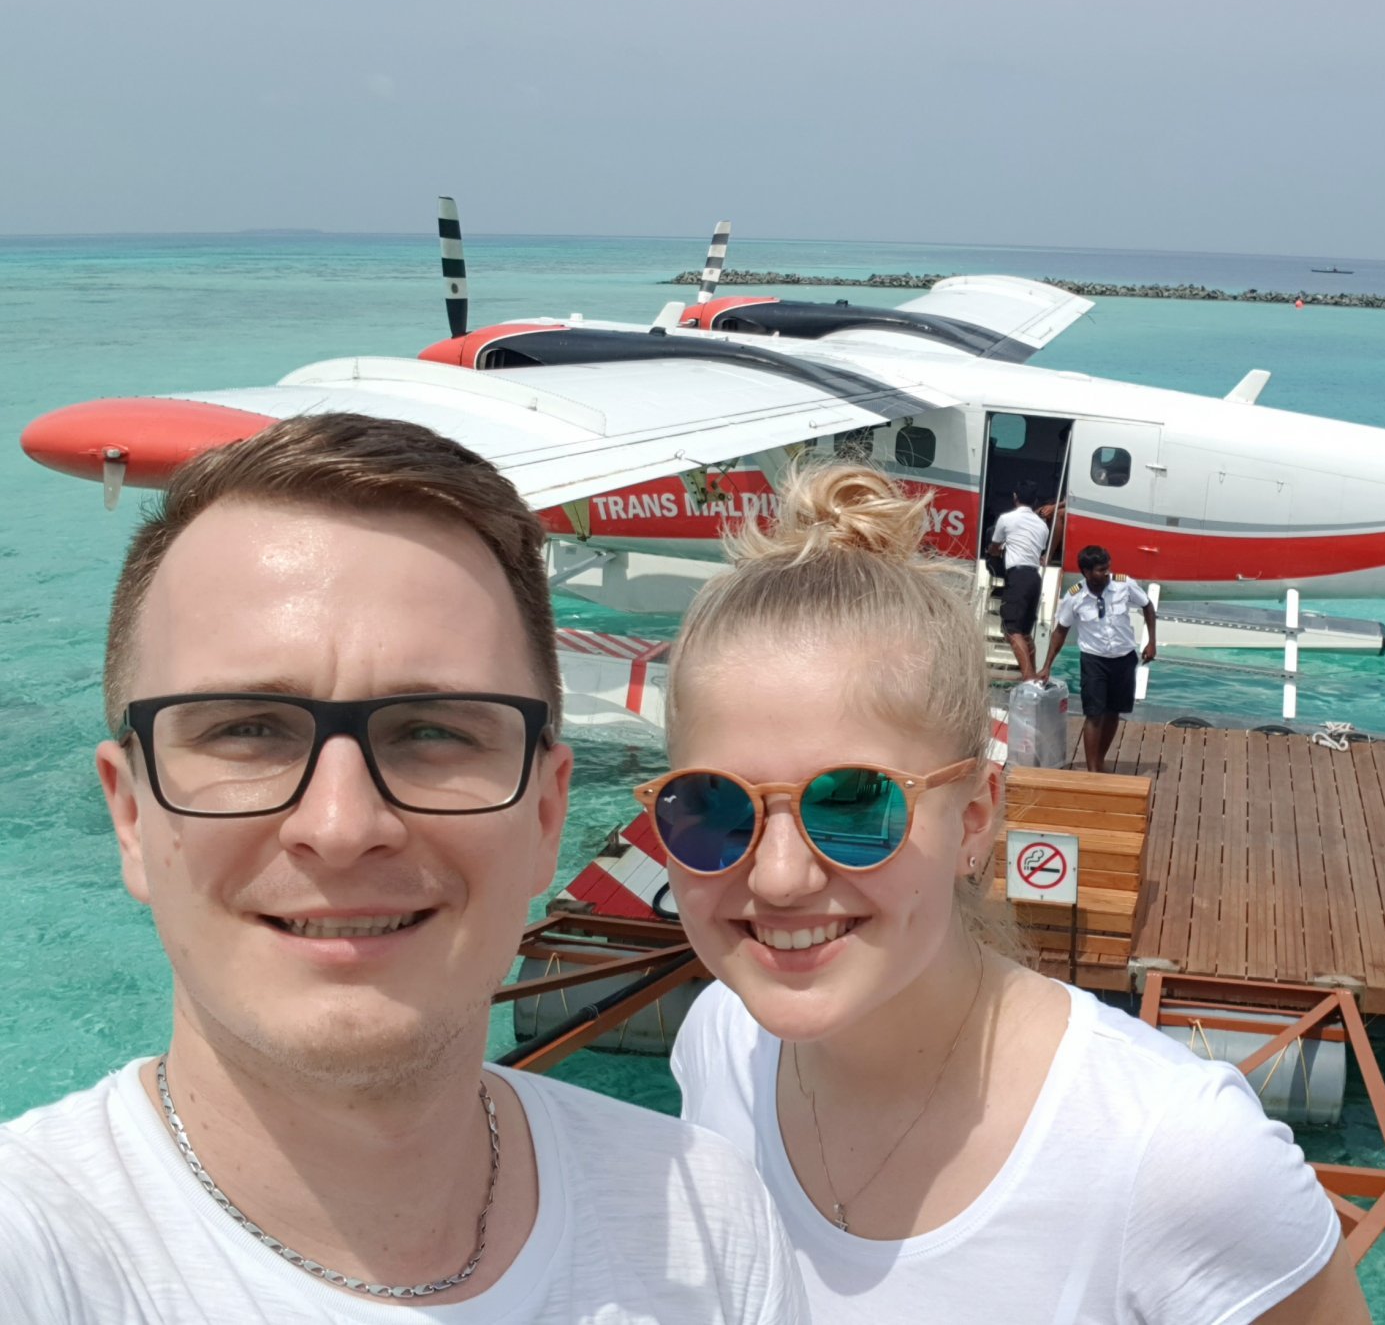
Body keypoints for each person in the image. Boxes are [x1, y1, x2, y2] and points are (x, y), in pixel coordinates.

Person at [0, 414, 801, 1323]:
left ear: (547, 814)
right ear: (130, 814)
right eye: (246, 730)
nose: (341, 827)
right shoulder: (31, 1260)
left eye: (432, 732)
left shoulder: (711, 1218)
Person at [660, 464, 1365, 1323]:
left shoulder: (1177, 1155)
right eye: (711, 806)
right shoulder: (719, 1043)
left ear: (975, 818)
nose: (777, 877)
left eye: (853, 804)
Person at [1040, 545, 1159, 773]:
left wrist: (1151, 641)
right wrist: (1047, 666)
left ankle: (1100, 760)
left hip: (1124, 658)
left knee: (1113, 712)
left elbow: (1147, 606)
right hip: (1094, 660)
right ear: (1086, 572)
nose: (1106, 573)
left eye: (1107, 568)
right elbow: (1060, 631)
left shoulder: (1124, 584)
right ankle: (1093, 771)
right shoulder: (1075, 596)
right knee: (1094, 714)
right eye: (1100, 570)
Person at [986, 480, 1049, 680]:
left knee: (1011, 630)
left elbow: (995, 546)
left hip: (1018, 576)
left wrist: (994, 553)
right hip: (1035, 578)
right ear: (1035, 501)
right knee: (1025, 632)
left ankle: (1028, 679)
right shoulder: (1042, 526)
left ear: (1015, 497)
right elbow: (1037, 550)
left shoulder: (1006, 519)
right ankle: (1034, 676)